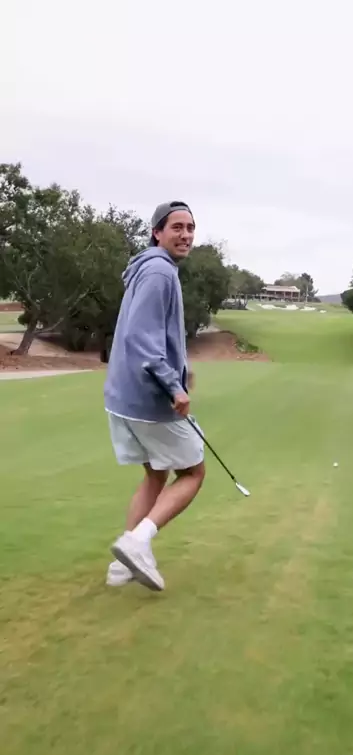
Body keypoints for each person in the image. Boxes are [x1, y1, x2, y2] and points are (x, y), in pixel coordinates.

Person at [104, 201, 206, 591]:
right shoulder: (160, 272)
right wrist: (172, 384)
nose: (186, 234)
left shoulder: (148, 267)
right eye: (177, 227)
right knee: (193, 472)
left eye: (190, 228)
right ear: (157, 232)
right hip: (148, 398)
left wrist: (180, 370)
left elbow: (150, 334)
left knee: (155, 473)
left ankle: (122, 566)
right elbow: (142, 338)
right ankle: (137, 542)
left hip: (123, 395)